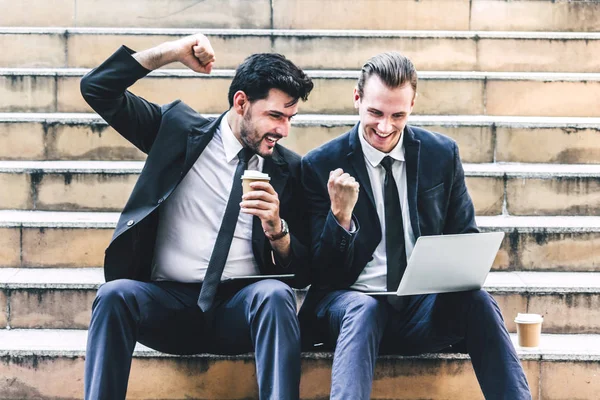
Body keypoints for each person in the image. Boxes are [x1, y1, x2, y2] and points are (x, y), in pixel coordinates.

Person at [80, 33, 313, 400]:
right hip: (167, 303)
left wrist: (277, 231)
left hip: (242, 309)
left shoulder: (290, 170)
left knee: (275, 294)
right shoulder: (177, 131)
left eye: (290, 118)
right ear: (241, 103)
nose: (283, 130)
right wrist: (172, 52)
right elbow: (97, 88)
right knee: (114, 294)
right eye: (275, 115)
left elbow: (303, 271)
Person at [299, 52, 531, 399]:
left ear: (413, 104)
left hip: (421, 310)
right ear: (357, 98)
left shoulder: (441, 154)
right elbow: (321, 273)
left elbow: (464, 234)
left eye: (398, 115)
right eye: (375, 113)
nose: (385, 127)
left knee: (479, 301)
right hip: (352, 311)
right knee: (364, 308)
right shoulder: (320, 165)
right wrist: (340, 217)